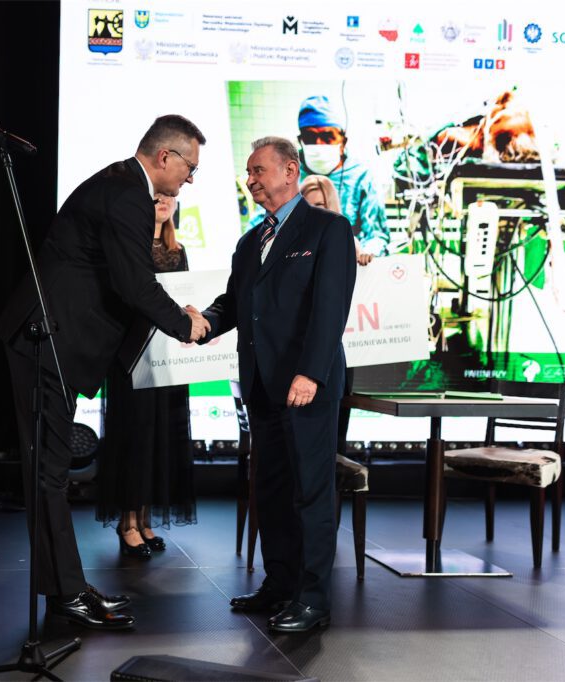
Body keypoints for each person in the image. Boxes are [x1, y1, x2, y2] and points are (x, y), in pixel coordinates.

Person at [0, 115, 209, 630]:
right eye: (190, 168)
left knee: (49, 473)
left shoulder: (121, 184)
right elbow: (134, 284)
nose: (190, 179)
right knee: (47, 475)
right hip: (46, 338)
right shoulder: (128, 194)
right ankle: (66, 594)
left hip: (56, 339)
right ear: (165, 157)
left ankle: (65, 589)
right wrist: (185, 323)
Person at [200, 137, 356, 633]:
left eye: (258, 170)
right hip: (262, 387)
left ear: (290, 171)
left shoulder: (329, 229)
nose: (250, 180)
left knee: (311, 492)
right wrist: (202, 321)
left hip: (306, 386)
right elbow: (234, 304)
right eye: (248, 172)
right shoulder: (250, 242)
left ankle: (313, 599)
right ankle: (280, 584)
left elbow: (330, 309)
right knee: (270, 491)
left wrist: (310, 373)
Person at [96, 193, 196, 559]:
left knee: (160, 438)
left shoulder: (178, 251)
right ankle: (127, 523)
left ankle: (146, 519)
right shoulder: (129, 246)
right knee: (133, 438)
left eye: (171, 197)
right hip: (133, 354)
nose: (165, 202)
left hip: (167, 356)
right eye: (158, 197)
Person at [301, 174, 373, 454]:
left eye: (320, 205)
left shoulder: (345, 240)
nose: (315, 211)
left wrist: (364, 258)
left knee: (333, 436)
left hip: (336, 353)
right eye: (309, 205)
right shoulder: (294, 241)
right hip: (301, 352)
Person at [297, 95, 389, 258]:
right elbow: (262, 229)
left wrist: (364, 255)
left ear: (343, 142)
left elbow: (376, 234)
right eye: (310, 137)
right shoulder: (286, 176)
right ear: (300, 140)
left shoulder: (360, 176)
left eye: (327, 137)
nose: (319, 144)